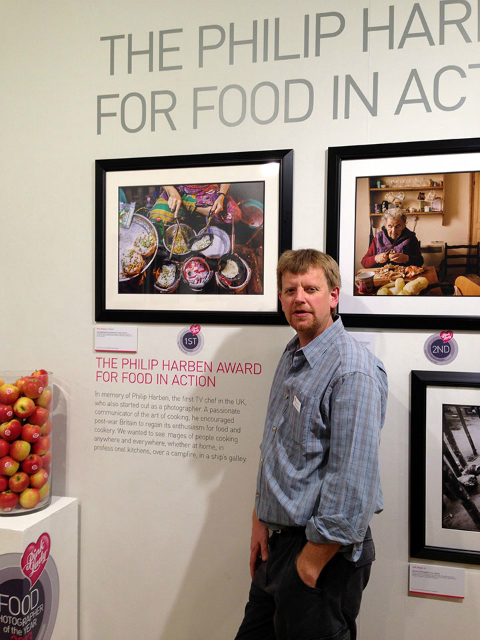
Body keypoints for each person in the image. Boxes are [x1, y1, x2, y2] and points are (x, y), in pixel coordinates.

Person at [234, 249, 388, 640]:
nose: (298, 298)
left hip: (321, 553)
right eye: (289, 290)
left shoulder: (352, 369)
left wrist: (307, 567)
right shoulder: (293, 354)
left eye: (310, 288)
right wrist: (259, 518)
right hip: (279, 544)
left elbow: (353, 486)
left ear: (334, 296)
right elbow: (277, 446)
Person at [148, 183, 241, 226]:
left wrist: (222, 195)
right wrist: (171, 191)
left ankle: (189, 206)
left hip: (207, 191)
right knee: (156, 221)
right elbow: (161, 171)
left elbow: (227, 171)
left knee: (233, 215)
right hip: (179, 189)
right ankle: (192, 207)